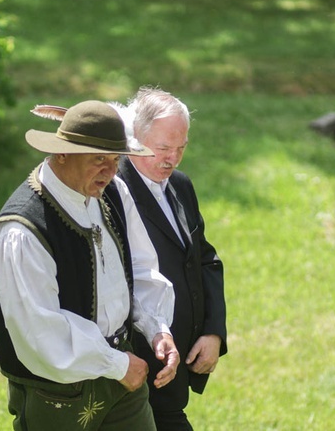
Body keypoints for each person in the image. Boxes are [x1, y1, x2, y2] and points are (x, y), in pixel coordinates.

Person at [0, 100, 180, 431]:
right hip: (59, 391)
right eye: (98, 160)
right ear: (62, 153)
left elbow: (141, 266)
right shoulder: (22, 230)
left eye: (115, 159)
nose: (110, 170)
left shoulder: (114, 192)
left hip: (123, 375)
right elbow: (39, 330)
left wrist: (157, 328)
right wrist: (116, 364)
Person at [114, 87, 227, 431]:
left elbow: (204, 259)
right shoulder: (112, 189)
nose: (172, 159)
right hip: (139, 361)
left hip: (179, 357)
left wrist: (213, 331)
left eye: (181, 148)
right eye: (163, 148)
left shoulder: (180, 185)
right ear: (135, 137)